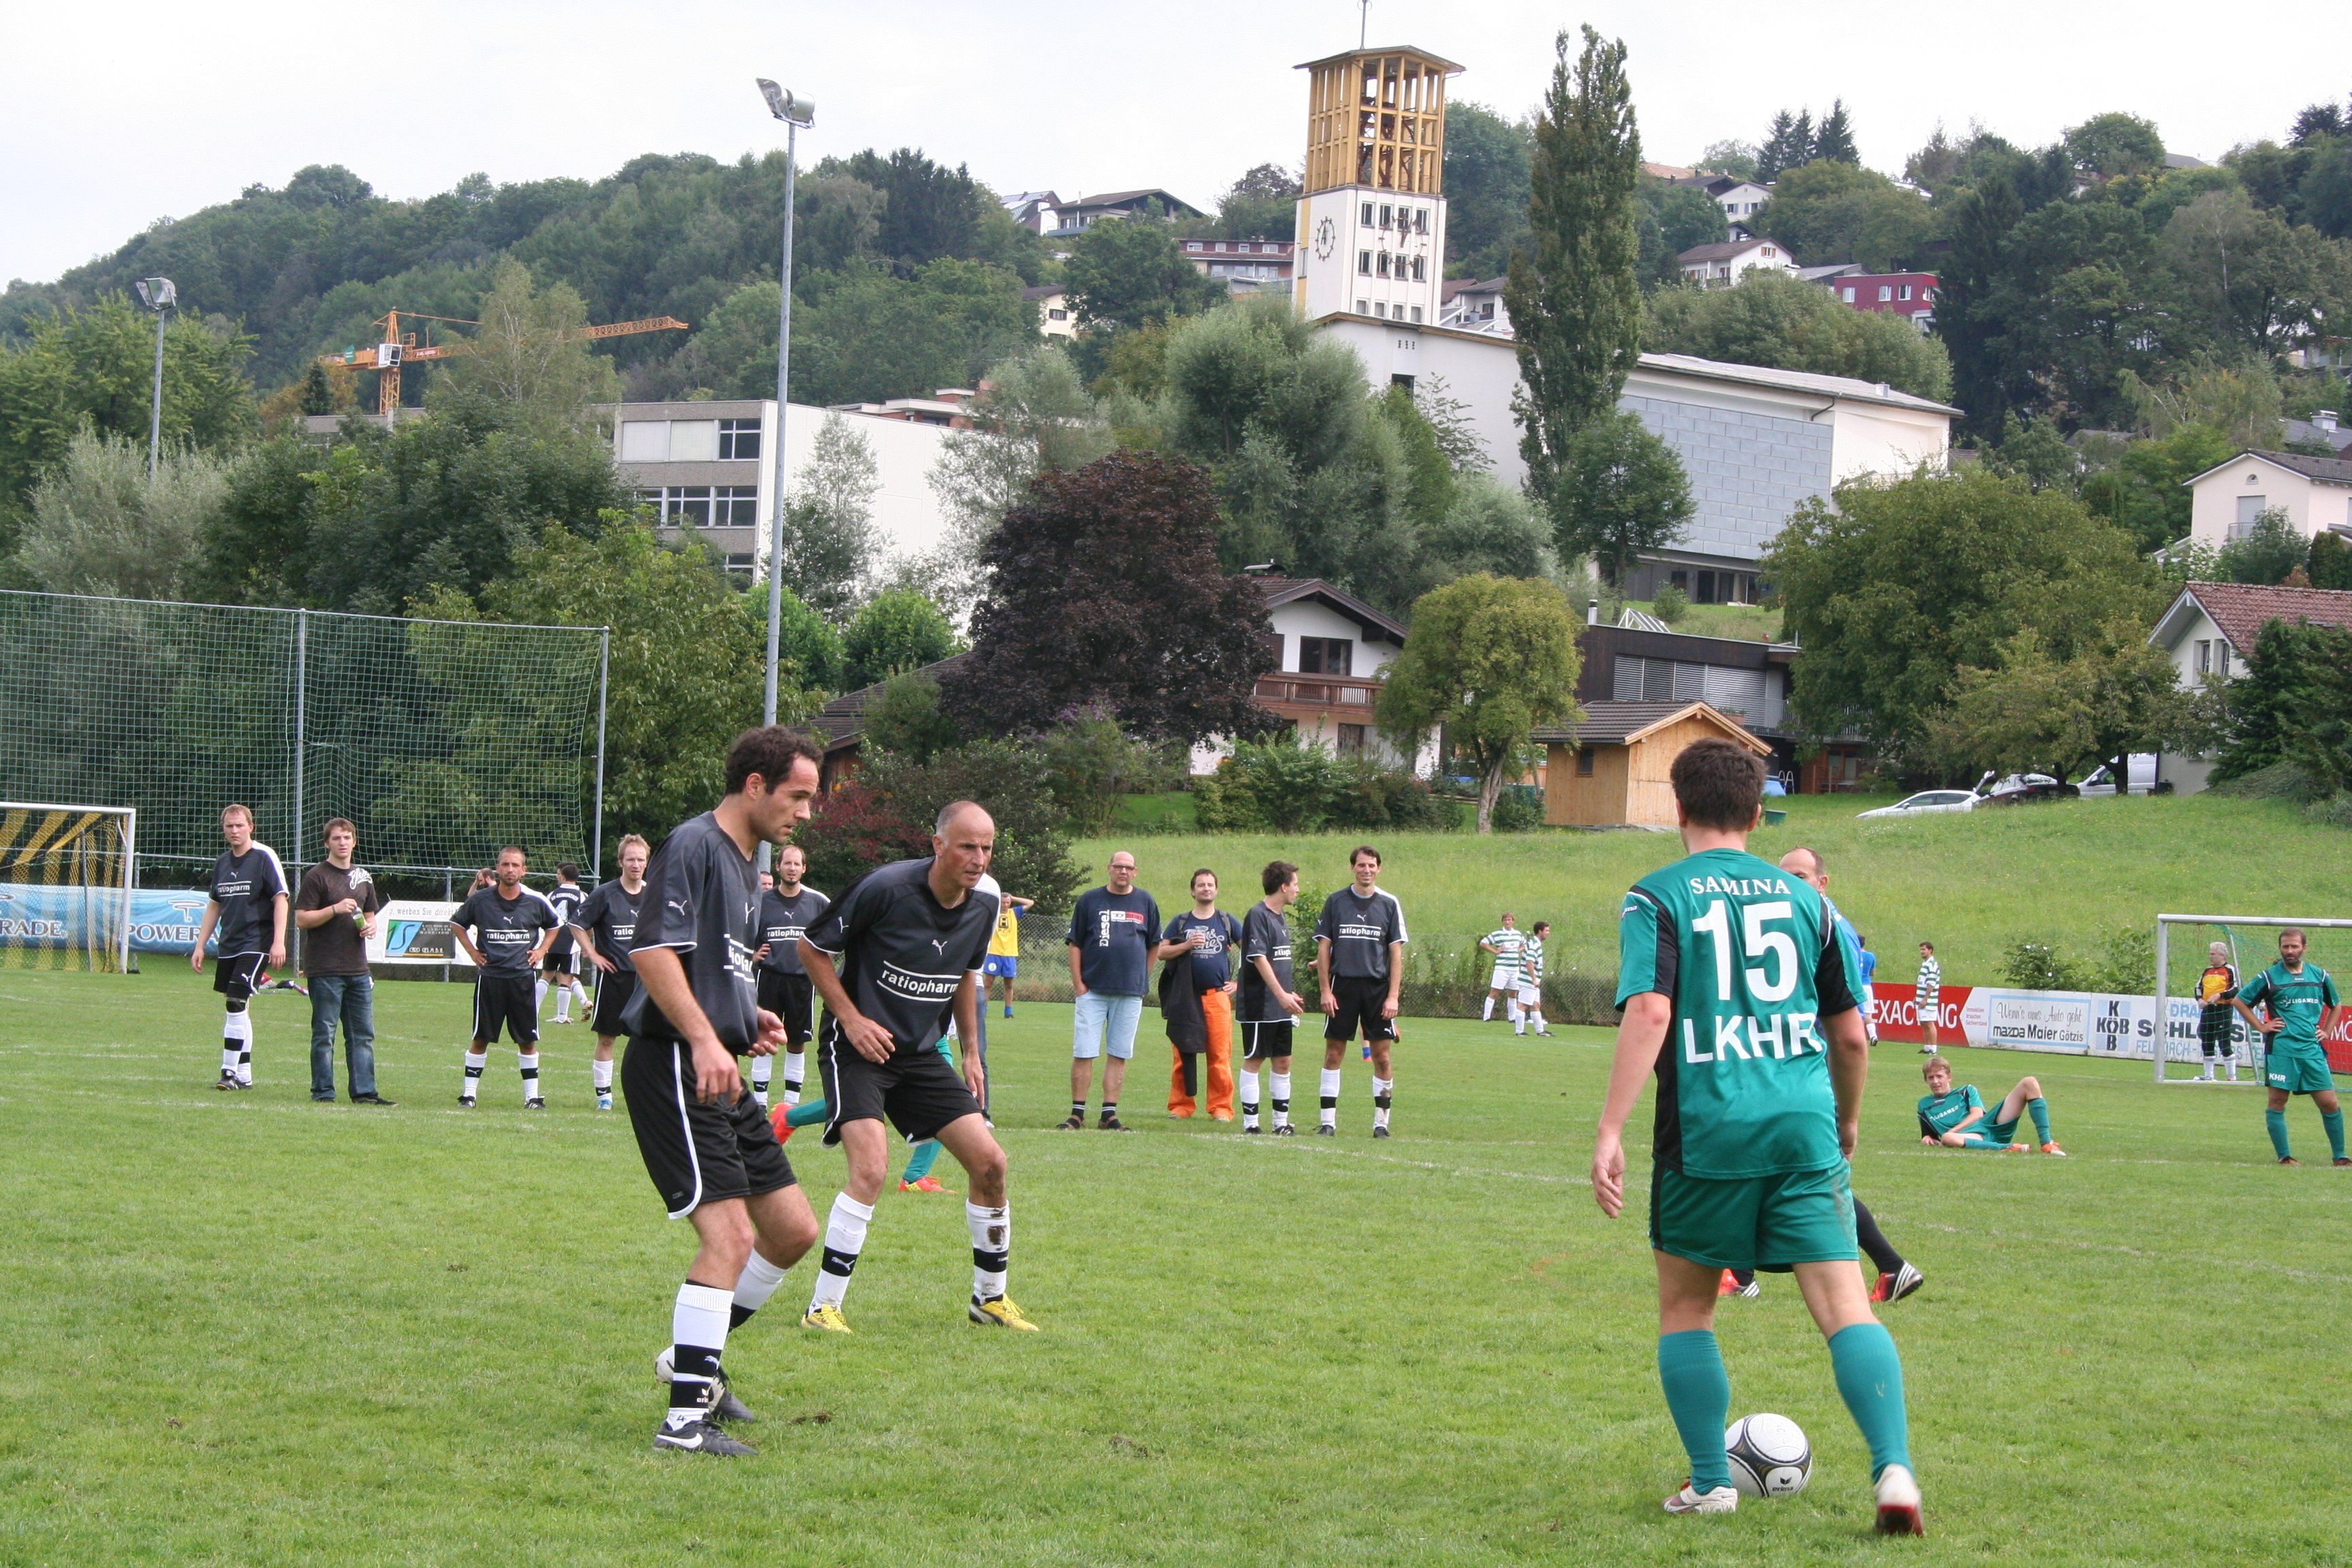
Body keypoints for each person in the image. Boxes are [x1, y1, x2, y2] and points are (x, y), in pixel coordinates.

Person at [1590, 737, 1921, 1532]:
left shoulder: (1655, 896)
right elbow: (1851, 1036)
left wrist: (1610, 1128)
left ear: (1677, 806)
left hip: (1708, 1132)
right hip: (1802, 1129)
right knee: (1848, 1308)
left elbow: (1651, 1011)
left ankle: (1712, 1482)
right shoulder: (1812, 904)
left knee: (1687, 1308)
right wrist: (1845, 1119)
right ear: (1758, 811)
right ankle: (1896, 1471)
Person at [621, 726, 824, 1456]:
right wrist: (706, 1038)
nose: (805, 812)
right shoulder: (694, 844)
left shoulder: (745, 866)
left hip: (718, 1066)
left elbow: (714, 967)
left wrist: (744, 1015)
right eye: (797, 795)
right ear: (755, 785)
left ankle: (693, 1360)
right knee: (731, 1237)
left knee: (793, 1229)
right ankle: (683, 1424)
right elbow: (651, 951)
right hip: (675, 1064)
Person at [798, 801, 1036, 1333]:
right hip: (858, 1049)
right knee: (871, 1170)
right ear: (938, 845)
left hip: (921, 1053)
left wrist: (970, 1051)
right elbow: (811, 948)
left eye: (987, 848)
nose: (979, 859)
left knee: (991, 1164)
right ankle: (822, 1308)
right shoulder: (884, 888)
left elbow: (966, 976)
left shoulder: (986, 901)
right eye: (967, 847)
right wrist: (852, 1019)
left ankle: (989, 1298)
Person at [451, 847, 561, 1108]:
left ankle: (532, 1097)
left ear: (524, 871)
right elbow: (457, 923)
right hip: (491, 978)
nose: (510, 869)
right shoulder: (481, 900)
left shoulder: (535, 901)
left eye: (515, 865)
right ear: (498, 868)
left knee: (527, 1040)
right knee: (481, 1038)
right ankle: (469, 1095)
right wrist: (473, 952)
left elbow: (555, 925)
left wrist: (542, 951)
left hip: (523, 980)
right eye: (505, 865)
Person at [190, 804, 289, 1091]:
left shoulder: (263, 857)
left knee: (234, 1001)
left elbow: (281, 898)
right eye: (229, 826)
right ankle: (245, 1074)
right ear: (224, 830)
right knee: (239, 1006)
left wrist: (278, 941)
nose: (234, 830)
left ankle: (229, 1072)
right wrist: (200, 945)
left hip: (256, 942)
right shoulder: (222, 862)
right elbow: (215, 904)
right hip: (229, 944)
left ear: (251, 827)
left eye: (239, 825)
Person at [294, 817, 390, 1105]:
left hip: (358, 969)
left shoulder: (363, 876)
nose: (343, 843)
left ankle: (365, 1093)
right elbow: (301, 919)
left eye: (347, 837)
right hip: (325, 968)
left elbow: (370, 914)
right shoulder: (316, 876)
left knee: (363, 1035)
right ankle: (323, 1092)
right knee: (324, 1033)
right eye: (336, 838)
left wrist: (370, 927)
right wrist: (334, 909)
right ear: (327, 843)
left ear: (354, 841)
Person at [1062, 851, 1160, 1132]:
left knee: (1119, 1053)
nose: (1123, 871)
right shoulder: (1090, 900)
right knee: (1084, 1051)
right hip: (1093, 990)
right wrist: (1079, 984)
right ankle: (1077, 1113)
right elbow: (1075, 943)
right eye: (1119, 866)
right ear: (1109, 868)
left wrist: (1142, 977)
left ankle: (1109, 1114)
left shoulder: (1146, 901)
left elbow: (1154, 943)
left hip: (1130, 992)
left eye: (1129, 868)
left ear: (1135, 872)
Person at [1313, 845, 1407, 1138]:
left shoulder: (1389, 903)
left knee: (1382, 1057)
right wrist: (1325, 991)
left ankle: (1381, 1124)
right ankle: (1328, 1123)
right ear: (1353, 868)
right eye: (1361, 865)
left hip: (1377, 989)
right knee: (1333, 1054)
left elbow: (1396, 953)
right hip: (1342, 986)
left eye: (1371, 865)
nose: (1366, 870)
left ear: (1379, 869)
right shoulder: (1336, 901)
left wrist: (1393, 996)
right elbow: (1324, 948)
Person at [2234, 928, 2347, 1166]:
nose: (2290, 951)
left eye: (2294, 946)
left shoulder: (2319, 976)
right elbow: (2240, 1001)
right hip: (2282, 1050)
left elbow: (2336, 1005)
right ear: (2281, 948)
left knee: (2330, 1103)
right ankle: (2284, 1157)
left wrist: (2326, 1031)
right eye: (2285, 946)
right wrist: (2261, 1026)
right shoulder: (2269, 977)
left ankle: (2340, 1157)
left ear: (2304, 948)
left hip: (2311, 1050)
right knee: (2277, 1102)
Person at [572, 834, 650, 1111]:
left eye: (641, 859)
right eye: (631, 859)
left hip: (647, 981)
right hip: (614, 978)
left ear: (647, 862)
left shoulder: (655, 894)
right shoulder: (605, 893)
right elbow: (577, 924)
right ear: (620, 862)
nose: (636, 864)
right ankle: (604, 1097)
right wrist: (592, 954)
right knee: (607, 1037)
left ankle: (644, 1096)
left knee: (646, 1042)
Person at [1158, 868, 1242, 1121]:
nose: (1206, 888)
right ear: (1193, 891)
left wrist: (1239, 984)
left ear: (1216, 889)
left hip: (1216, 996)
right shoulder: (1181, 922)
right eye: (1201, 885)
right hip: (1185, 998)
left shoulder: (1226, 921)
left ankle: (1221, 1107)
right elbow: (1161, 952)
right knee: (1182, 1053)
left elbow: (1252, 953)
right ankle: (1181, 1105)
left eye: (1210, 884)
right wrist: (1186, 945)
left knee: (1219, 1054)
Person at [752, 846, 830, 1112]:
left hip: (801, 981)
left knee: (797, 1041)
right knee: (765, 1037)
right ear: (778, 867)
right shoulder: (761, 900)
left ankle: (791, 1103)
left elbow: (834, 932)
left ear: (804, 868)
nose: (792, 868)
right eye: (787, 863)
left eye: (797, 864)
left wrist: (822, 958)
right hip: (769, 978)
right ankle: (760, 1102)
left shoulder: (817, 901)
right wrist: (752, 955)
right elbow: (742, 932)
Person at [1916, 1056, 2065, 1154]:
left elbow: (1977, 1114)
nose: (1936, 1081)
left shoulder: (1965, 1090)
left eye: (1939, 1076)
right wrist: (1927, 1138)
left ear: (1949, 1077)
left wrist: (1953, 1131)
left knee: (2029, 1082)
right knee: (1948, 1139)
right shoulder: (1924, 1105)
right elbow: (1930, 1134)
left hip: (1990, 1125)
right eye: (1931, 1078)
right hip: (1970, 1137)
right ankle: (2009, 1147)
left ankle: (2047, 1143)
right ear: (1925, 1080)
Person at [540, 864, 591, 1026]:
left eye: (558, 874)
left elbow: (543, 918)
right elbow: (588, 922)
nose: (557, 877)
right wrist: (586, 944)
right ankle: (562, 1016)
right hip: (572, 941)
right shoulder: (583, 896)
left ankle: (533, 1010)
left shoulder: (551, 895)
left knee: (546, 976)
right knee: (566, 978)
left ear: (563, 876)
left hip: (552, 939)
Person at [2195, 941, 2242, 1083]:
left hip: (2223, 1010)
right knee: (2207, 1041)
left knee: (2224, 1041)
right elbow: (2198, 988)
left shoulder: (2230, 970)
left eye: (2213, 954)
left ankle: (2231, 1077)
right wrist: (2200, 1000)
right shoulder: (2207, 971)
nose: (2210, 957)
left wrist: (2220, 995)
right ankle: (2209, 1076)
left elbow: (2237, 988)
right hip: (2208, 1010)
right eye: (2210, 954)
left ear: (2222, 956)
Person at [985, 891, 1033, 1018]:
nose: (1005, 905)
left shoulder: (1014, 913)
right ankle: (983, 1010)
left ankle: (1008, 1012)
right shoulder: (994, 913)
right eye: (1003, 902)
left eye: (1008, 902)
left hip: (1009, 953)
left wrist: (1013, 898)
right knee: (988, 984)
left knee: (1009, 984)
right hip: (994, 952)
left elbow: (1030, 903)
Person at [1479, 913, 1524, 1023]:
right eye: (1505, 920)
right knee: (1495, 992)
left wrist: (1518, 951)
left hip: (1514, 969)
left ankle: (1512, 1017)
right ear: (1503, 922)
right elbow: (1483, 943)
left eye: (1509, 920)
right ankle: (1486, 1017)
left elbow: (1525, 944)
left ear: (1513, 921)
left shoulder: (1517, 934)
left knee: (1513, 993)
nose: (1507, 922)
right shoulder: (1497, 934)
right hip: (1502, 968)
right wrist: (1495, 951)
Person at [1516, 921, 1552, 1037]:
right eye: (1546, 930)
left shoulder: (1536, 943)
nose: (1548, 933)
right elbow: (1529, 962)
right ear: (1540, 931)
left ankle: (1540, 1031)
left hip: (1533, 981)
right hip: (1528, 980)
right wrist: (1533, 979)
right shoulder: (1534, 944)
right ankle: (1519, 1031)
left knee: (1536, 1005)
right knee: (1522, 1005)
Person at [1914, 942, 1942, 1054]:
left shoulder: (1932, 964)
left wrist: (1925, 998)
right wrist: (1917, 996)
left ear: (1930, 950)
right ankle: (1927, 1047)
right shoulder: (1925, 964)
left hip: (1929, 1000)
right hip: (1921, 998)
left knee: (1930, 1023)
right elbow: (1923, 982)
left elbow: (1931, 983)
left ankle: (1933, 1048)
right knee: (1924, 1023)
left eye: (1924, 949)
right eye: (1921, 949)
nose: (1921, 952)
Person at [1857, 936, 1880, 1044]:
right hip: (1866, 986)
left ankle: (1859, 1036)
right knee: (1867, 1014)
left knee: (1855, 1013)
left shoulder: (1853, 954)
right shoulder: (1871, 956)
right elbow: (1873, 973)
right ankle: (1873, 1036)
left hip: (1855, 986)